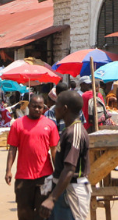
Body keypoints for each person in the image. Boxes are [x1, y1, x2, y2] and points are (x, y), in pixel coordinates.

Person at [5, 94, 60, 220]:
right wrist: (8, 170)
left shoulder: (50, 125)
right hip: (23, 177)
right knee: (24, 212)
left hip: (44, 176)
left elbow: (54, 151)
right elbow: (12, 149)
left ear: (44, 108)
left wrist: (58, 171)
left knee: (44, 212)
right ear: (28, 106)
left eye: (40, 107)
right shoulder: (17, 125)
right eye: (34, 106)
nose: (37, 109)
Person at [38, 90, 90, 220]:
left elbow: (69, 169)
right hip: (62, 190)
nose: (54, 108)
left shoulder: (75, 132)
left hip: (71, 191)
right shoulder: (68, 130)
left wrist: (52, 198)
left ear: (65, 109)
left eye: (57, 105)